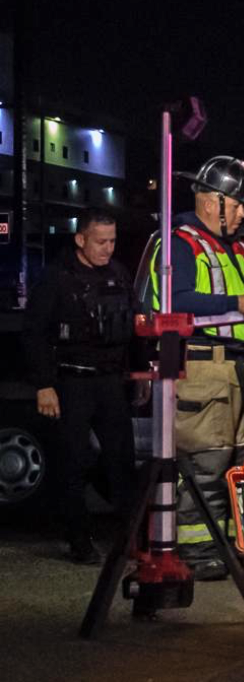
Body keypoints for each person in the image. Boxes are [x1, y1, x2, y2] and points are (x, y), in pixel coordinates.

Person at [150, 156, 244, 580]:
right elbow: (170, 301)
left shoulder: (237, 247)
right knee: (205, 466)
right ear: (212, 201)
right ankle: (198, 549)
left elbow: (237, 303)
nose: (243, 213)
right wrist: (236, 304)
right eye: (238, 204)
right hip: (205, 368)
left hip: (243, 370)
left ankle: (239, 543)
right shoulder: (177, 243)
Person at [22, 211, 137, 564]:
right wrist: (44, 385)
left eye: (112, 241)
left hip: (111, 381)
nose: (107, 248)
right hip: (72, 381)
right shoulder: (57, 278)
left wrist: (137, 374)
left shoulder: (118, 274)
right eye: (100, 241)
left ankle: (128, 536)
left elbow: (132, 326)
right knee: (72, 462)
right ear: (80, 239)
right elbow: (35, 334)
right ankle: (79, 539)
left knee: (122, 460)